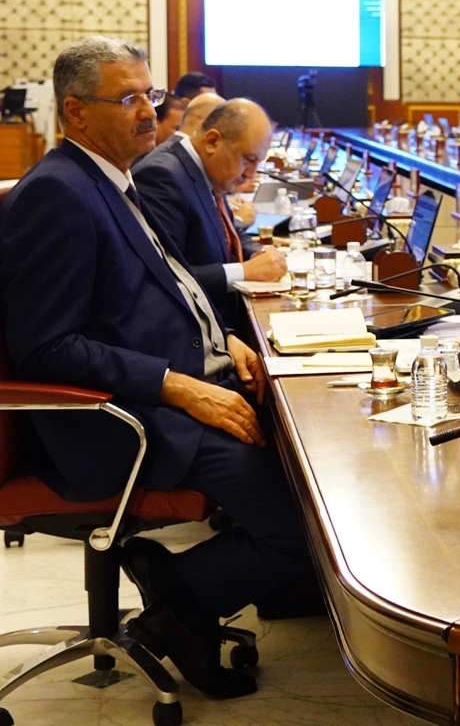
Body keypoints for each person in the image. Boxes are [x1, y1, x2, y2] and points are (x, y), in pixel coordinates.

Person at [0, 38, 311, 699]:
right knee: (309, 524)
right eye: (128, 99)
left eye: (151, 95)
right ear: (76, 113)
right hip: (125, 423)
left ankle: (182, 593)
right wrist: (180, 388)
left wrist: (227, 338)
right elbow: (46, 347)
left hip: (175, 390)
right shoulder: (57, 193)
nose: (150, 112)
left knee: (309, 458)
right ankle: (178, 601)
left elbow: (167, 287)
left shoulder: (114, 178)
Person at [133, 99, 288, 329]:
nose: (251, 174)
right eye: (248, 160)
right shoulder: (162, 177)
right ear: (213, 141)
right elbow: (163, 281)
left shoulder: (205, 170)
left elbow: (229, 232)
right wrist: (245, 271)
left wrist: (259, 253)